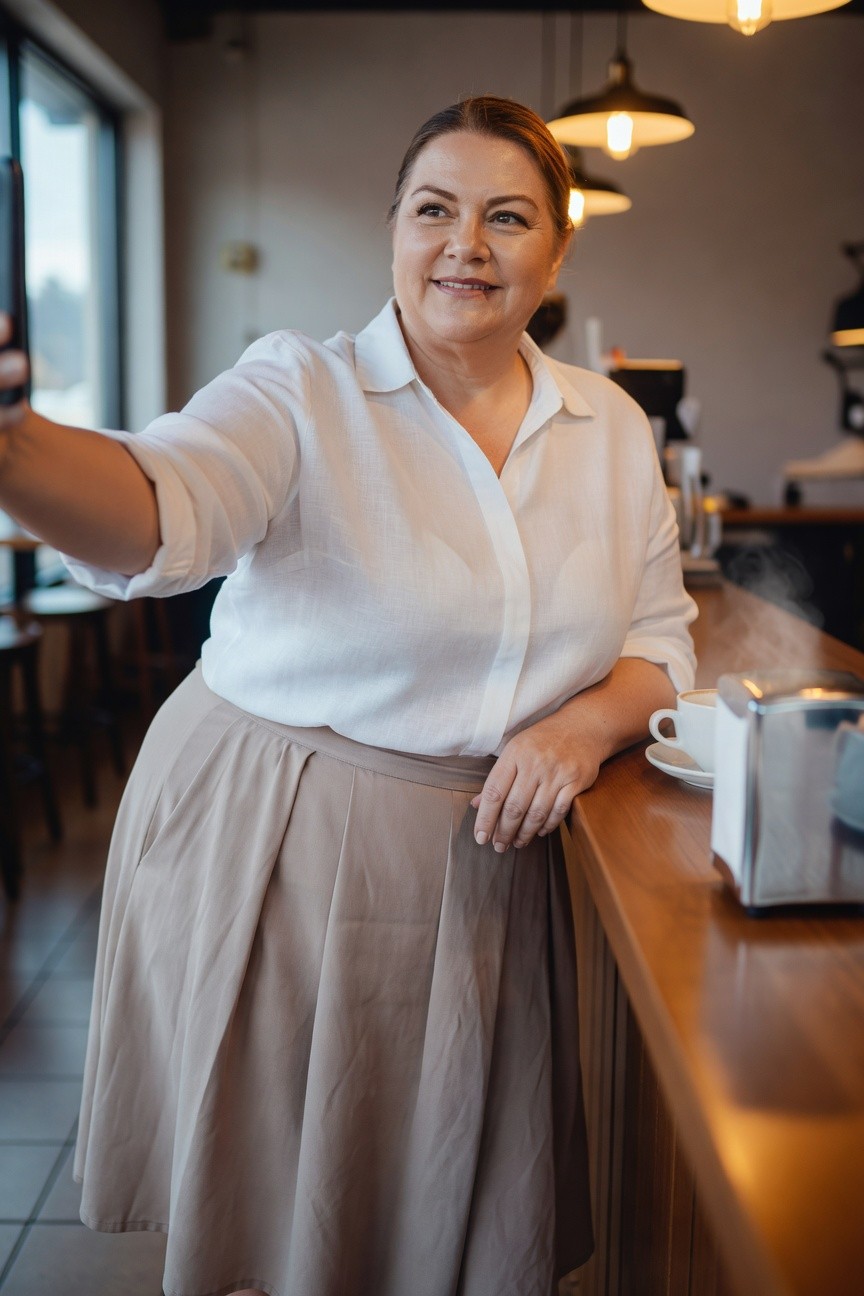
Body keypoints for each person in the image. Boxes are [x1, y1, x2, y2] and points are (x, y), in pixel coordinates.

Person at [0, 96, 695, 1296]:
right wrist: (11, 444)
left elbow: (660, 641)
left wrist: (584, 726)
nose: (465, 245)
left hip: (488, 860)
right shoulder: (299, 390)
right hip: (282, 833)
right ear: (393, 231)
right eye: (434, 210)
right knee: (284, 1222)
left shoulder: (611, 428)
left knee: (446, 1212)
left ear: (558, 252)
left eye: (506, 217)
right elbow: (164, 504)